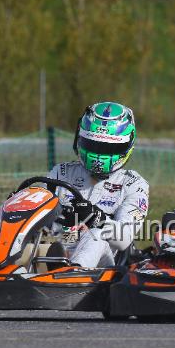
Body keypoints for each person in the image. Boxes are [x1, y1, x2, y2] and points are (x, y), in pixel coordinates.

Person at [47, 101, 149, 268]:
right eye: (94, 145)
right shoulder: (62, 173)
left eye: (108, 148)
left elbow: (125, 239)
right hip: (54, 249)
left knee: (96, 234)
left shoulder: (133, 184)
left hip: (101, 268)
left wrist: (97, 218)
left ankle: (72, 276)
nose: (99, 154)